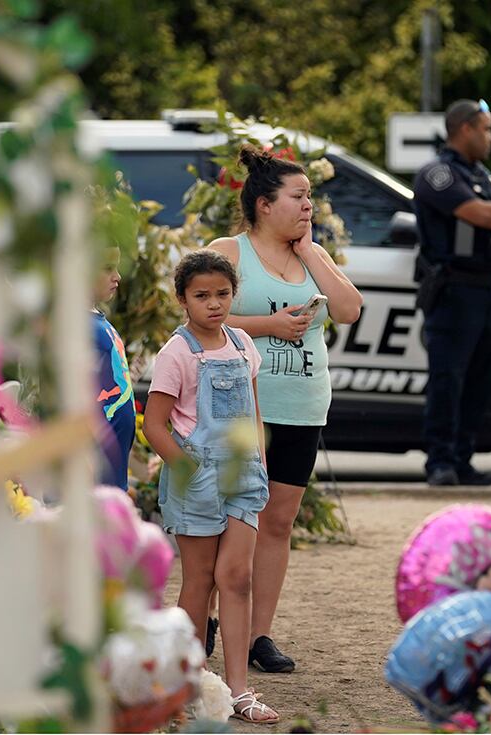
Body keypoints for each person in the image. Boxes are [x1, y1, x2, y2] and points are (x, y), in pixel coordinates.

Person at [209, 145, 362, 674]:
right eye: (298, 197)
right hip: (238, 404)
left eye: (310, 197)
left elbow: (349, 309)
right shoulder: (230, 250)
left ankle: (259, 636)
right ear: (264, 205)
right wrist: (269, 326)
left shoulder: (310, 257)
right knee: (228, 516)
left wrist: (314, 254)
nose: (308, 206)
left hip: (301, 403)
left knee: (278, 521)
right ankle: (209, 618)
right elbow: (202, 319)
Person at [142, 249, 278, 724]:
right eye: (202, 295)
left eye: (222, 294)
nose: (214, 304)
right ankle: (194, 686)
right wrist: (189, 469)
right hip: (196, 480)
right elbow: (155, 425)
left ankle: (239, 690)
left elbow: (253, 406)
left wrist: (259, 458)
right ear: (183, 299)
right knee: (199, 582)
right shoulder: (176, 353)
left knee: (236, 579)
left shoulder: (243, 345)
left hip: (243, 478)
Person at [412, 98, 491, 487]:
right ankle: (440, 462)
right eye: (486, 128)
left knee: (480, 380)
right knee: (449, 378)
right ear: (464, 128)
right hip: (453, 291)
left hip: (486, 291)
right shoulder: (438, 174)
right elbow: (477, 213)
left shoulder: (482, 175)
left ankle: (462, 460)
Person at [93, 249, 135, 490]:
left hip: (111, 473)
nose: (117, 276)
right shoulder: (74, 326)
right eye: (108, 267)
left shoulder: (98, 321)